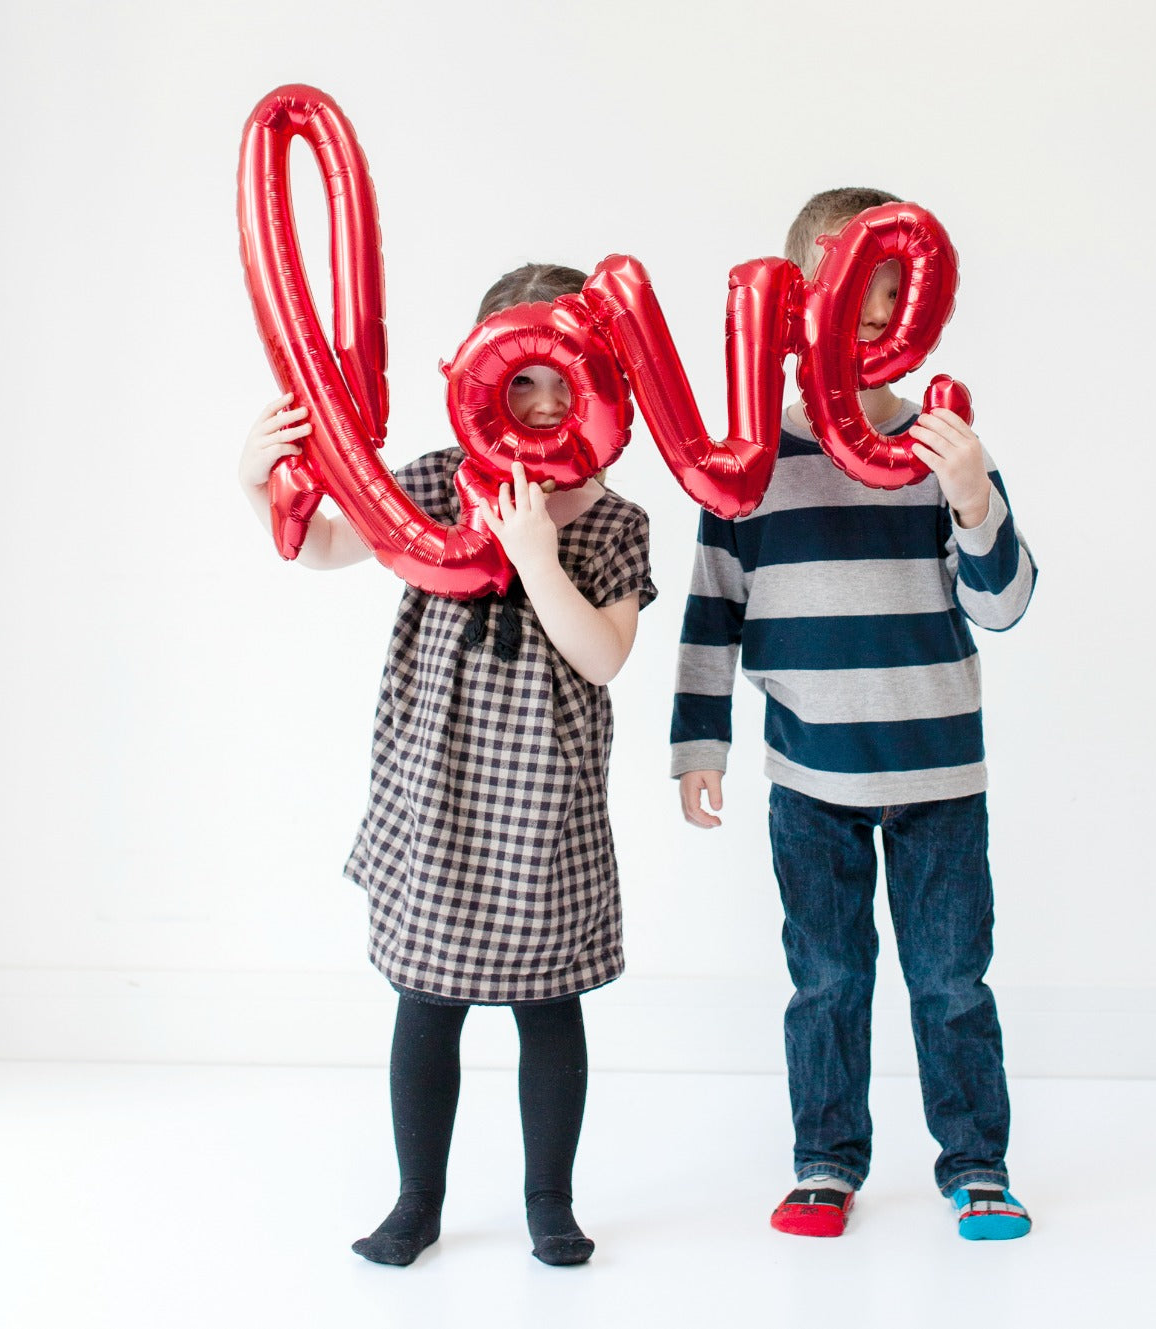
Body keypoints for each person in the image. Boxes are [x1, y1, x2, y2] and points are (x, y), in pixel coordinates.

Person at [239, 263, 657, 1267]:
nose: (548, 404)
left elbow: (601, 657)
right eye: (524, 382)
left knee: (547, 1006)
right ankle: (416, 1199)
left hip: (543, 805)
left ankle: (549, 1203)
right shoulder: (433, 479)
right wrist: (258, 482)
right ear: (482, 378)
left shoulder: (613, 521)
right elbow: (323, 548)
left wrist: (538, 557)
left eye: (568, 381)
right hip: (434, 789)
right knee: (426, 1002)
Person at [672, 189, 1036, 1241]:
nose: (870, 319)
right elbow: (713, 605)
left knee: (951, 983)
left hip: (937, 779)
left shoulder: (944, 449)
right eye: (848, 298)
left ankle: (977, 1163)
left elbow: (1004, 604)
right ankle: (825, 1159)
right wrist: (702, 741)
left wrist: (973, 499)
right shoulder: (750, 466)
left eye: (890, 297)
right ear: (797, 307)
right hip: (810, 779)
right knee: (826, 982)